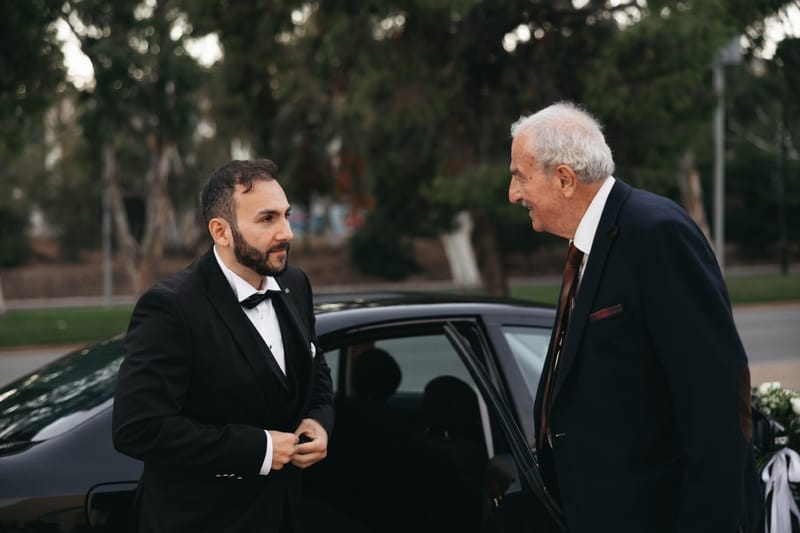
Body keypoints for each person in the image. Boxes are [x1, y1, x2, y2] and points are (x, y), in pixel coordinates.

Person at [508, 102, 759, 532]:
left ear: (565, 179)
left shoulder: (654, 231)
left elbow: (715, 397)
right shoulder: (589, 245)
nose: (513, 194)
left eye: (519, 176)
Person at [112, 158, 334, 533]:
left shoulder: (296, 284)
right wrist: (259, 449)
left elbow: (317, 371)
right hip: (206, 520)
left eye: (286, 215)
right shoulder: (171, 308)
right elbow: (139, 428)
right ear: (221, 231)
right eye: (267, 219)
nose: (287, 233)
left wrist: (319, 420)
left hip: (288, 513)